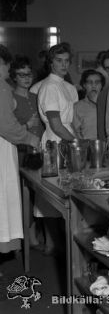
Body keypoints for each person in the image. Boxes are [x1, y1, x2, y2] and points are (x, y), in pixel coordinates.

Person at [37, 42, 78, 255]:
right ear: (50, 62)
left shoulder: (63, 85)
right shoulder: (50, 86)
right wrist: (76, 143)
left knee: (66, 192)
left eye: (66, 61)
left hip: (65, 137)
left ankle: (65, 245)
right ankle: (57, 246)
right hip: (56, 141)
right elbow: (56, 124)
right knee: (55, 195)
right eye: (59, 61)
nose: (63, 65)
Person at [0, 45, 40, 259]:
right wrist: (29, 136)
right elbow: (6, 125)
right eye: (7, 65)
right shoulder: (3, 87)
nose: (7, 72)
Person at [9, 56, 43, 165]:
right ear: (14, 77)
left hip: (40, 149)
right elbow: (8, 129)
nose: (27, 78)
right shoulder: (10, 99)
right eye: (22, 75)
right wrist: (28, 124)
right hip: (21, 152)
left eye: (29, 74)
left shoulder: (37, 97)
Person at [73, 69, 105, 140]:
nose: (93, 86)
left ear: (102, 85)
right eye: (90, 82)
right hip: (87, 146)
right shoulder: (77, 107)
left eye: (97, 82)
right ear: (84, 85)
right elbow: (76, 132)